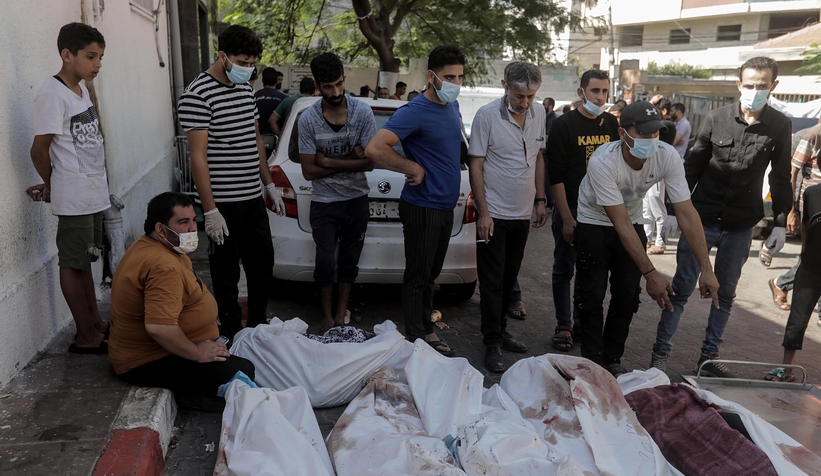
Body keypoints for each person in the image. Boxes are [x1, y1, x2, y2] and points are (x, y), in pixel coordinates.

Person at [651, 57, 792, 377]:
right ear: (739, 84)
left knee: (725, 294)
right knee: (681, 288)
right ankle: (660, 354)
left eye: (762, 85)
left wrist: (780, 222)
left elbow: (780, 177)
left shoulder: (780, 125)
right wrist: (673, 210)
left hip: (741, 224)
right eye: (750, 84)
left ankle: (709, 358)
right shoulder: (716, 118)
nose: (755, 91)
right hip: (701, 218)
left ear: (773, 86)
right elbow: (693, 165)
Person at [574, 101, 719, 377]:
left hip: (632, 218)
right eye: (642, 133)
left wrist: (706, 268)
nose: (651, 139)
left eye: (655, 132)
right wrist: (651, 273)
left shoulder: (666, 155)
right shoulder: (602, 161)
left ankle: (611, 358)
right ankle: (592, 361)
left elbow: (687, 213)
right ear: (622, 134)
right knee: (591, 293)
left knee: (628, 294)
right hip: (594, 219)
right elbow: (619, 224)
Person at [177, 25, 283, 339]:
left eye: (252, 63)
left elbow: (255, 140)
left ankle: (258, 325)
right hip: (223, 201)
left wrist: (269, 184)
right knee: (226, 272)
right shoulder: (197, 94)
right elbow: (198, 157)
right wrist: (210, 211)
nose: (247, 69)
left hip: (252, 197)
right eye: (242, 62)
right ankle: (232, 331)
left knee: (262, 263)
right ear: (222, 55)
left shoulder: (245, 90)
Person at [365, 45, 466, 356]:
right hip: (423, 206)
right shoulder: (414, 111)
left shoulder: (452, 106)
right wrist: (412, 167)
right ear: (432, 76)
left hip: (444, 206)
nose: (456, 83)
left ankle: (425, 326)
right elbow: (375, 148)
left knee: (431, 275)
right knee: (418, 276)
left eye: (460, 77)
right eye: (450, 77)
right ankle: (418, 338)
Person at [109, 192, 255, 402]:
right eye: (183, 222)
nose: (193, 228)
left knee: (231, 338)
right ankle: (193, 399)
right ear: (161, 229)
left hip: (160, 347)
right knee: (242, 371)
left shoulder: (159, 246)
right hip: (146, 360)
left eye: (194, 220)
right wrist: (198, 352)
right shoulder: (162, 266)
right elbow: (159, 328)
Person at [27, 22, 110, 354]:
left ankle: (96, 323)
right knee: (73, 264)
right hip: (74, 196)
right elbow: (39, 151)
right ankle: (85, 335)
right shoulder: (53, 93)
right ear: (67, 54)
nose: (97, 64)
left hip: (93, 193)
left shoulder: (81, 91)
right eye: (90, 56)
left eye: (100, 57)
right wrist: (52, 185)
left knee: (85, 260)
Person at [468, 62, 548, 372]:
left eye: (531, 96)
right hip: (493, 214)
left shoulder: (538, 113)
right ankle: (491, 343)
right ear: (505, 86)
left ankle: (500, 331)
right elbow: (476, 165)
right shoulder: (486, 116)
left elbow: (538, 158)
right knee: (492, 282)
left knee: (509, 276)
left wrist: (540, 200)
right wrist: (483, 213)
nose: (525, 103)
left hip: (522, 213)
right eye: (519, 96)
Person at [299, 53, 377, 331]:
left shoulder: (362, 112)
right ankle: (327, 318)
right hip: (324, 202)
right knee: (324, 261)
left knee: (349, 260)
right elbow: (309, 171)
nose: (335, 92)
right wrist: (351, 161)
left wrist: (329, 162)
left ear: (344, 78)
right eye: (328, 87)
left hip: (356, 199)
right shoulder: (308, 119)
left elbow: (370, 162)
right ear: (317, 86)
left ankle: (341, 313)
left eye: (339, 84)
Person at [546, 69, 619, 352]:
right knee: (564, 269)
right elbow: (556, 176)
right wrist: (566, 217)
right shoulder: (564, 125)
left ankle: (582, 323)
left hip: (601, 211)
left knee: (590, 271)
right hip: (572, 208)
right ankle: (563, 325)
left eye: (604, 91)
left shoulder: (610, 123)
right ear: (581, 92)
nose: (600, 97)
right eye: (594, 91)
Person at [767, 184, 821, 382]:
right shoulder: (812, 193)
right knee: (797, 319)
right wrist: (805, 255)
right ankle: (786, 369)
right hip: (810, 267)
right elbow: (806, 227)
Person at [769, 121, 821, 312]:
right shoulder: (813, 135)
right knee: (812, 258)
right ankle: (782, 283)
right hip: (813, 208)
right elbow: (792, 172)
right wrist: (791, 211)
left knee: (813, 258)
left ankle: (782, 283)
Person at [255, 68, 287, 135]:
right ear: (276, 81)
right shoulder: (284, 98)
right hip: (277, 136)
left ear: (262, 80)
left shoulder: (254, 96)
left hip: (258, 136)